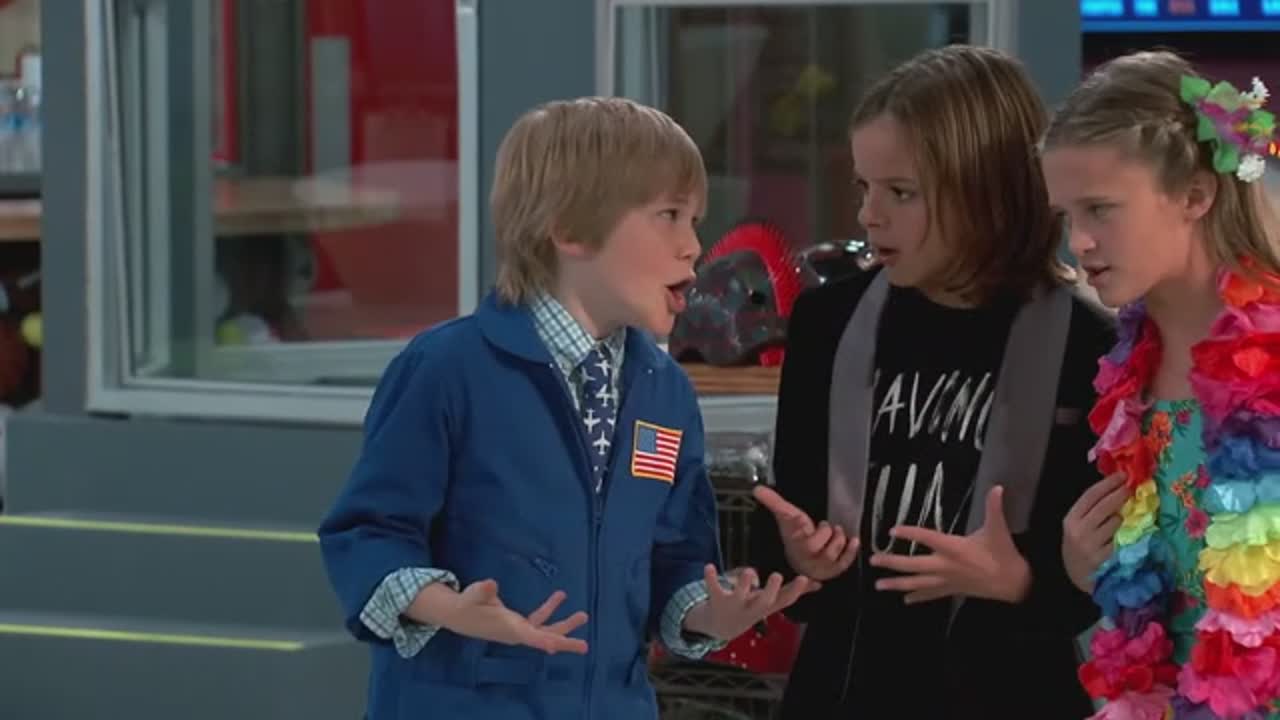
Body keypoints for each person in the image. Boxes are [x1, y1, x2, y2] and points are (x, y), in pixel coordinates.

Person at [317, 97, 817, 720]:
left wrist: (710, 613)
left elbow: (676, 560)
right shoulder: (446, 369)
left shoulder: (667, 391)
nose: (693, 246)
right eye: (668, 216)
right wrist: (448, 607)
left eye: (695, 220)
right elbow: (367, 534)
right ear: (571, 230)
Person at [748, 44, 1115, 718]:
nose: (869, 215)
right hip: (840, 694)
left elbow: (1100, 585)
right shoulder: (827, 322)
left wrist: (1020, 579)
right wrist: (801, 558)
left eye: (901, 192)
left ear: (989, 191)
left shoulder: (1090, 345)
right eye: (863, 188)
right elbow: (782, 529)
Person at [1048, 51, 1280, 719]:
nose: (1078, 242)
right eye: (1066, 216)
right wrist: (1087, 565)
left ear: (1196, 195)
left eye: (1101, 210)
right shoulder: (1122, 369)